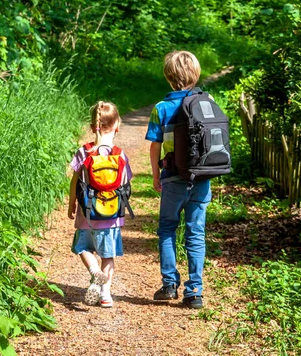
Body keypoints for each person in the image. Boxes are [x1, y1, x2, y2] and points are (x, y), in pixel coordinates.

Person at [145, 50, 211, 309]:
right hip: (202, 178)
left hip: (172, 178)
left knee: (167, 229)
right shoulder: (207, 101)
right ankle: (194, 292)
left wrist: (155, 174)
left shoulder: (161, 108)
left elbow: (154, 145)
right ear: (195, 74)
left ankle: (169, 285)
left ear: (169, 77)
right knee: (196, 233)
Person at [68, 101, 132, 308]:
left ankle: (94, 272)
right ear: (117, 126)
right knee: (108, 255)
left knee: (82, 247)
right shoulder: (119, 154)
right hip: (111, 216)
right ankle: (106, 295)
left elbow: (74, 181)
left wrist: (71, 204)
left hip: (87, 213)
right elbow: (124, 184)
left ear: (91, 126)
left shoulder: (84, 152)